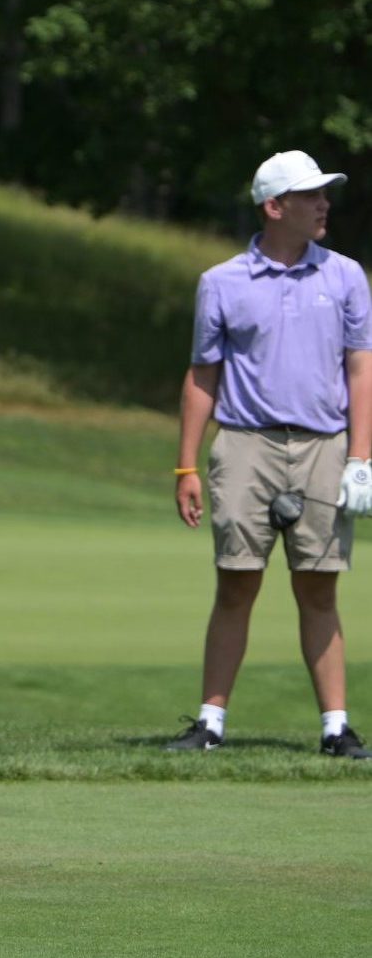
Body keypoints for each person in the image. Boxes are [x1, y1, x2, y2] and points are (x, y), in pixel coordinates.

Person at [168, 149, 372, 756]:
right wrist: (186, 465)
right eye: (310, 195)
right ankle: (211, 724)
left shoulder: (345, 276)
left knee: (318, 588)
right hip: (244, 444)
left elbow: (361, 370)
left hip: (322, 446)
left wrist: (362, 458)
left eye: (324, 194)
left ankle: (336, 729)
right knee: (237, 582)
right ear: (274, 206)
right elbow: (203, 376)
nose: (324, 204)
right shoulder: (221, 283)